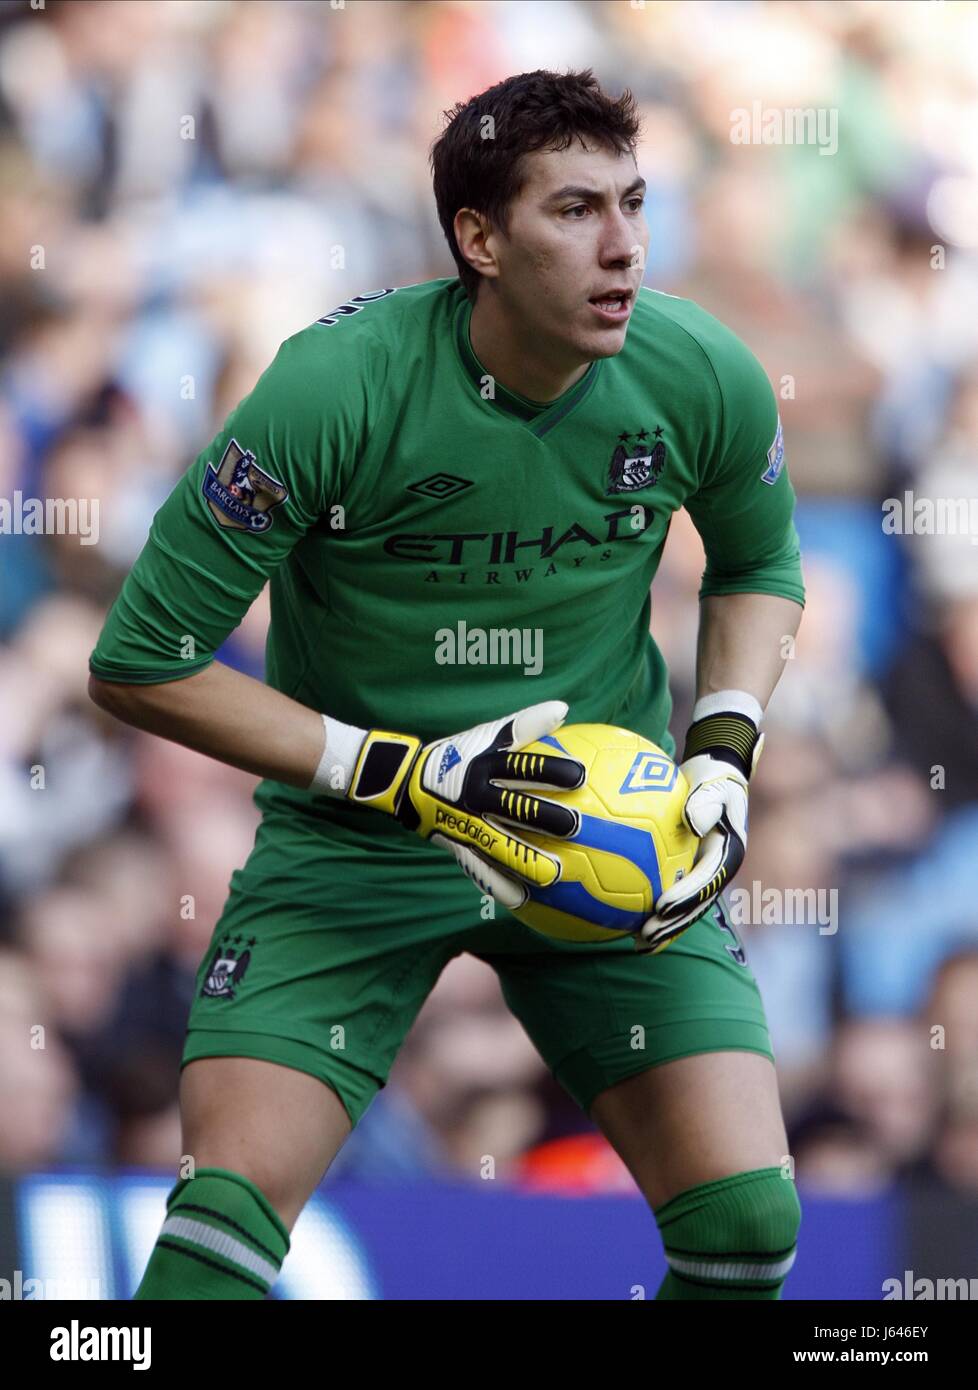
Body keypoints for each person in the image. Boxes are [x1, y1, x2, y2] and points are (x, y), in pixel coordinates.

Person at [88, 69, 805, 1301]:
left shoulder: (700, 372)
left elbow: (759, 563)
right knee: (218, 1233)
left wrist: (725, 752)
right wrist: (399, 772)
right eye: (576, 210)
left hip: (601, 830)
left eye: (635, 203)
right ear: (478, 237)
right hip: (355, 840)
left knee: (747, 1224)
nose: (626, 244)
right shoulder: (333, 388)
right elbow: (140, 662)